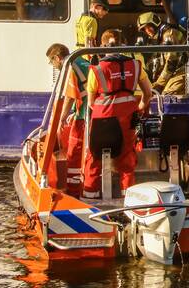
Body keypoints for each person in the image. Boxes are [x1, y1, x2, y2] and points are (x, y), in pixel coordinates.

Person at [82, 30, 153, 199]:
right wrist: (140, 107)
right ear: (122, 45)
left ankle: (90, 194)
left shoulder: (97, 69)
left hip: (102, 117)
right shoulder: (136, 65)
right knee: (127, 154)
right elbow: (148, 93)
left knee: (95, 155)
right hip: (128, 115)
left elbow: (91, 101)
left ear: (103, 45)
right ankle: (127, 194)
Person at [46, 43, 90, 197]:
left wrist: (62, 118)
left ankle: (73, 193)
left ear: (57, 58)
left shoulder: (70, 66)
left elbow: (70, 96)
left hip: (84, 116)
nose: (53, 65)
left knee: (73, 154)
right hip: (92, 112)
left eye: (52, 61)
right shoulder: (82, 61)